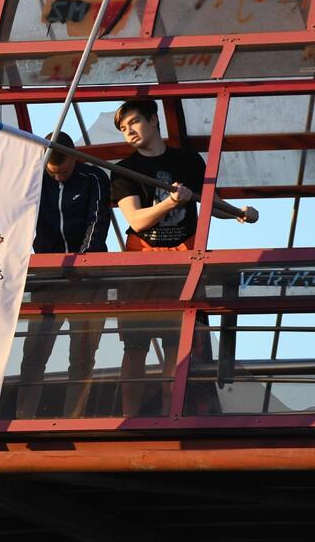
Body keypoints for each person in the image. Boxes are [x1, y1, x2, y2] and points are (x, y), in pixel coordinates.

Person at [110, 99, 258, 417]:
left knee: (176, 346)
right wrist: (171, 202)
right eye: (123, 128)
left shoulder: (188, 161)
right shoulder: (125, 169)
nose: (129, 131)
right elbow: (136, 220)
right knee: (135, 346)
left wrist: (238, 213)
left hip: (182, 261)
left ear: (154, 120)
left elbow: (211, 204)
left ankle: (170, 413)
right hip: (142, 264)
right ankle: (129, 418)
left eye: (134, 122)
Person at [17, 132, 110, 419]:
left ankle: (74, 417)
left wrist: (82, 261)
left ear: (74, 158)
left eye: (65, 172)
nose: (58, 177)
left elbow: (97, 222)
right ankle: (24, 417)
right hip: (48, 280)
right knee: (34, 352)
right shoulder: (33, 179)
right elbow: (18, 220)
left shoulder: (94, 178)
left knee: (82, 355)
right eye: (53, 172)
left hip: (88, 280)